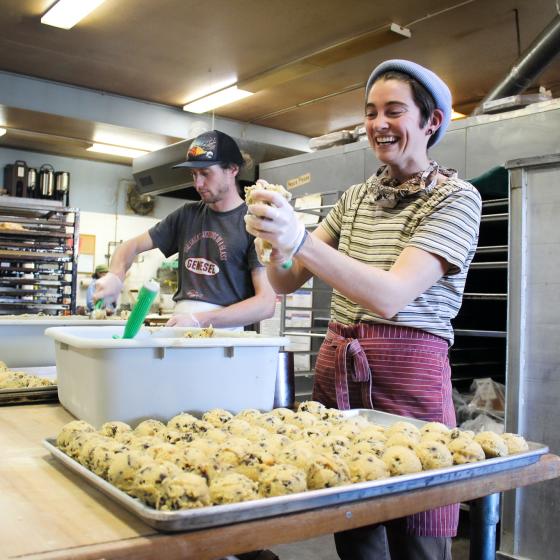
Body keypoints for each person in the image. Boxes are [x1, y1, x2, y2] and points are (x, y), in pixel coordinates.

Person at [245, 59, 482, 559]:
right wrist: (273, 240)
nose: (378, 124)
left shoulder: (457, 199)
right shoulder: (355, 198)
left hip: (409, 377)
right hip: (344, 370)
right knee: (354, 526)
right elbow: (286, 279)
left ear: (431, 121)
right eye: (370, 112)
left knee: (417, 529)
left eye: (394, 111)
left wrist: (300, 238)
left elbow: (390, 297)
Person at [94, 130, 276, 329]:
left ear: (232, 169)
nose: (198, 183)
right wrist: (115, 275)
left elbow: (265, 304)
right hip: (181, 326)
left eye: (205, 173)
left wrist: (200, 319)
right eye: (194, 174)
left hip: (225, 337)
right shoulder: (186, 215)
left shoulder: (253, 223)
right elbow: (131, 246)